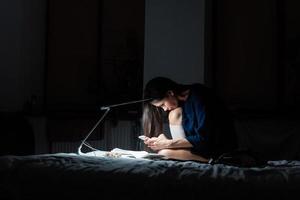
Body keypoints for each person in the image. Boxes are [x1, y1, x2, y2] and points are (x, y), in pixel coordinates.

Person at [142, 77, 238, 162]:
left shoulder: (199, 96)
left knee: (164, 153)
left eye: (163, 104)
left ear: (170, 93)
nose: (164, 109)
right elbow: (188, 139)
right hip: (199, 147)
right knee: (173, 115)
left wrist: (168, 143)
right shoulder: (181, 105)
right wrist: (164, 142)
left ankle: (213, 160)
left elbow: (204, 139)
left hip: (216, 149)